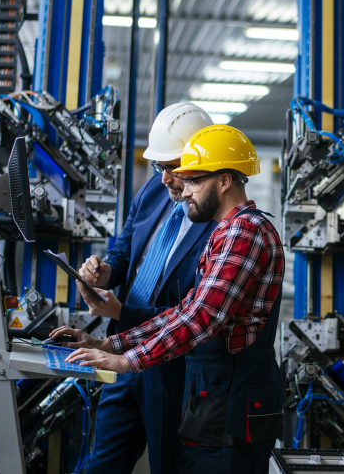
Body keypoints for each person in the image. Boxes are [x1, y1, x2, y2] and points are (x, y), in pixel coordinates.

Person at [53, 125, 285, 474]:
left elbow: (199, 320)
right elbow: (185, 311)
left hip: (234, 398)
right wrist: (110, 343)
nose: (183, 191)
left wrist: (126, 361)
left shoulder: (244, 232)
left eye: (193, 180)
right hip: (216, 394)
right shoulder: (226, 231)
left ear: (223, 181)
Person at [59, 103, 217, 474]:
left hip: (170, 367)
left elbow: (192, 314)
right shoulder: (154, 190)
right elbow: (126, 247)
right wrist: (105, 271)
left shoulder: (215, 221)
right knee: (103, 465)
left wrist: (120, 312)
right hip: (120, 347)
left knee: (169, 464)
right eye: (160, 167)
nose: (165, 179)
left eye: (173, 168)